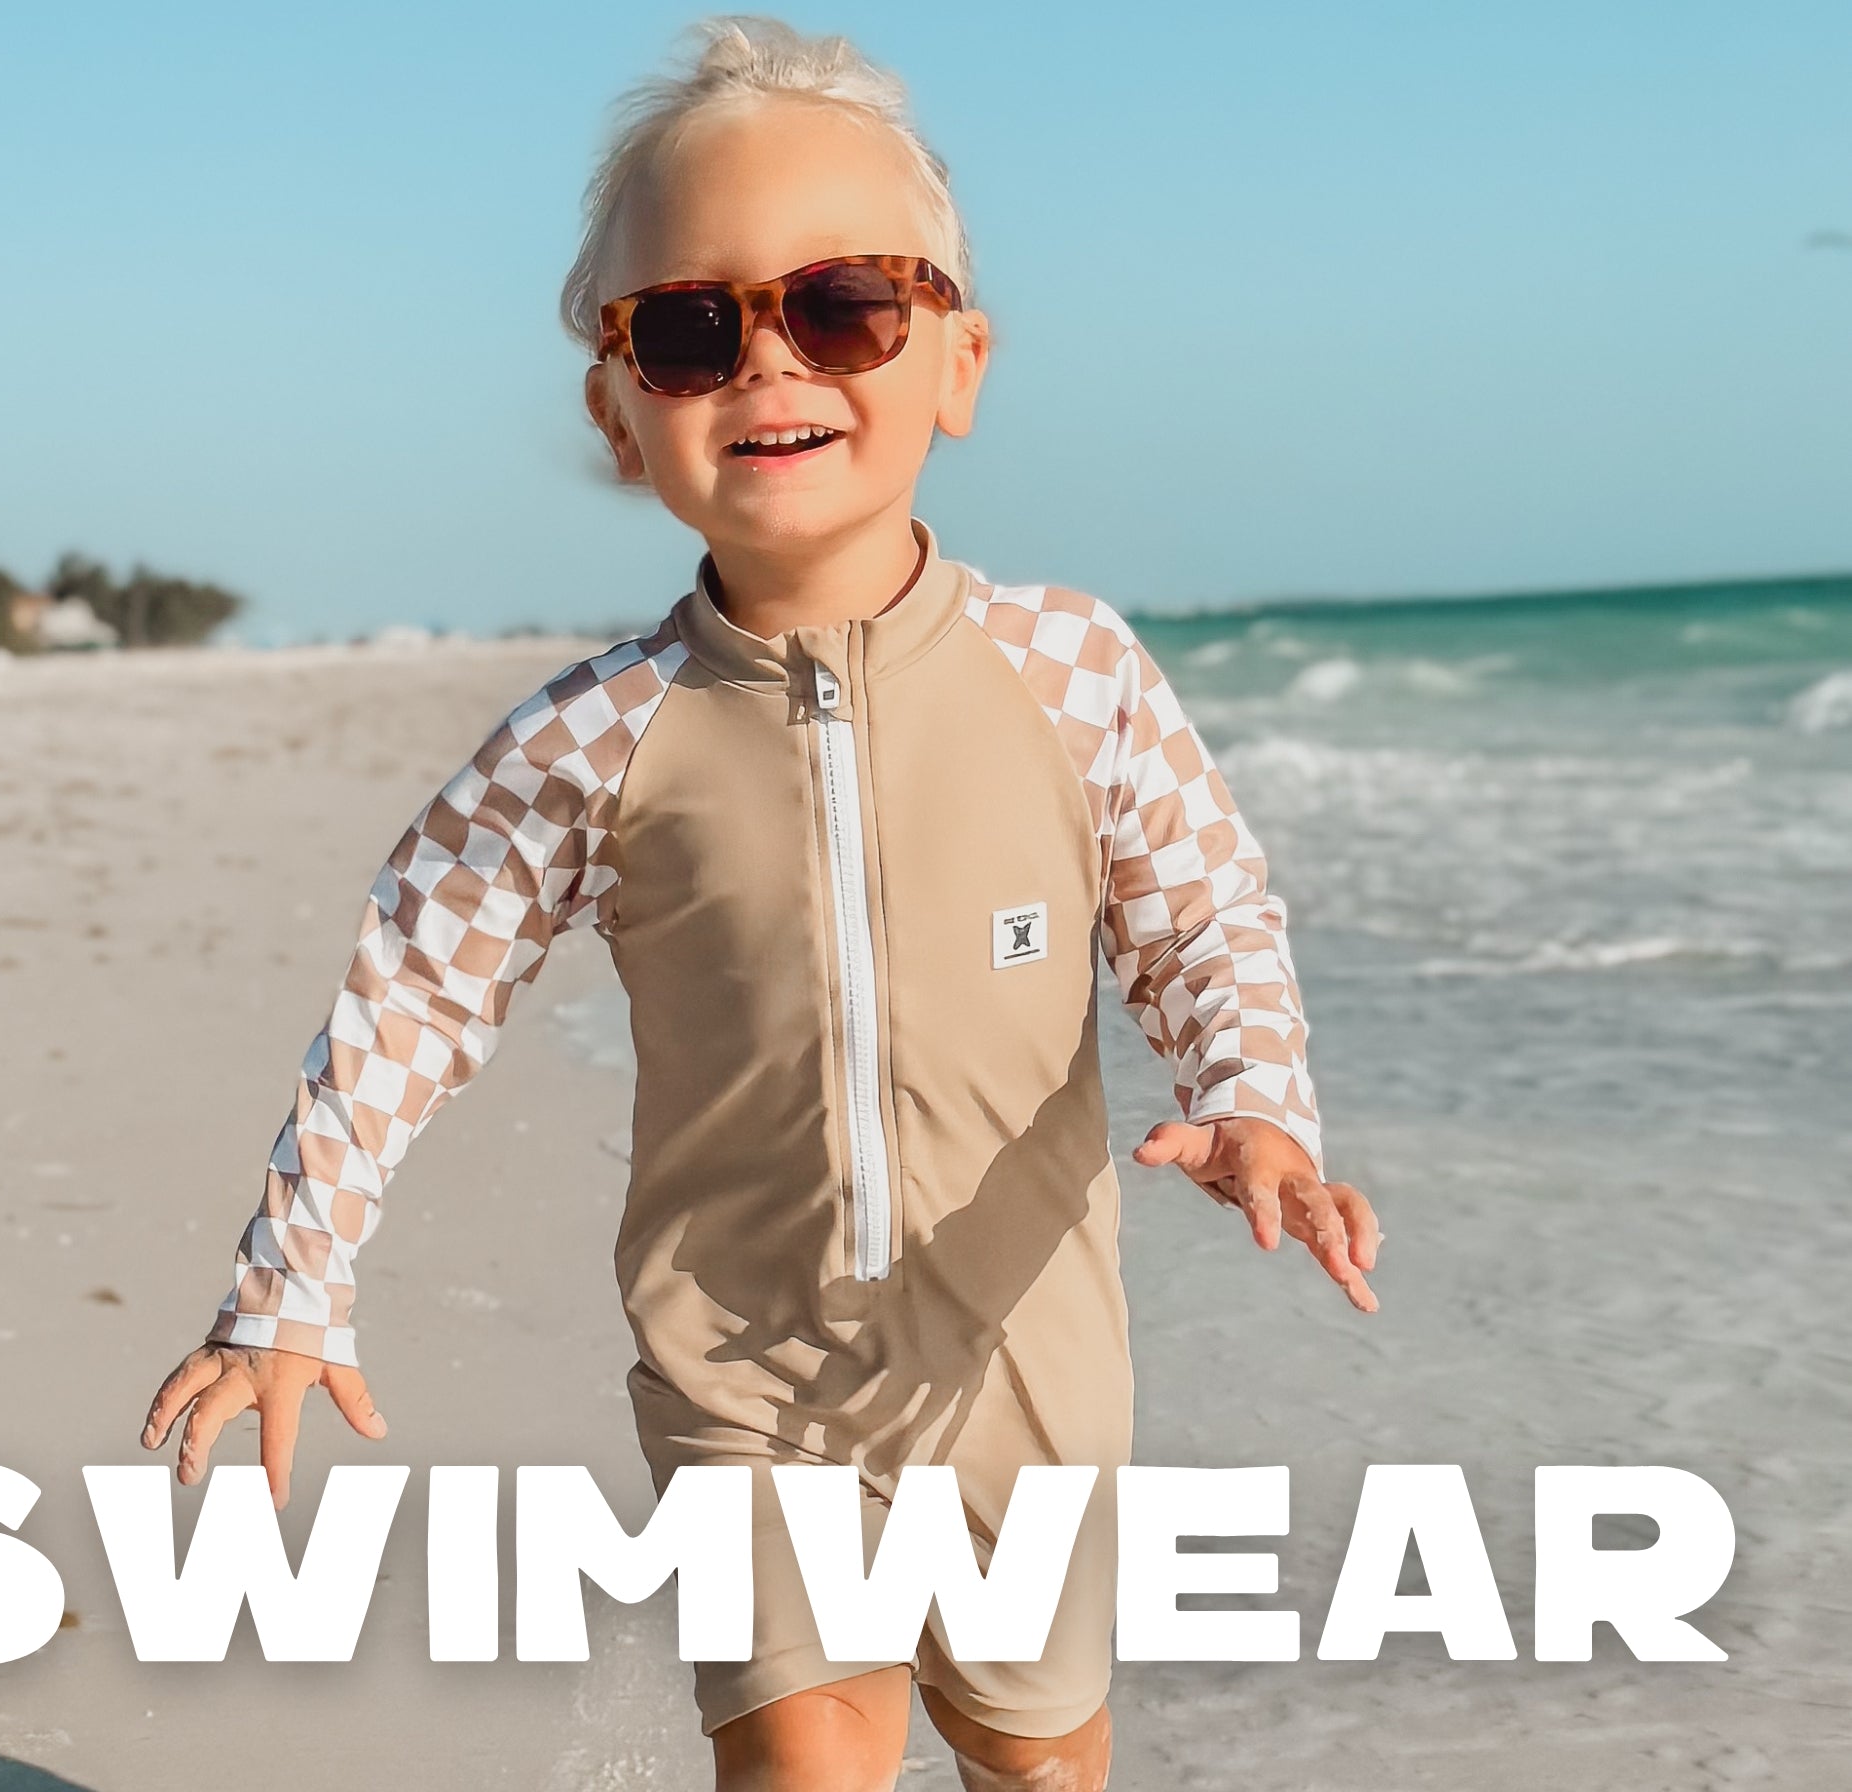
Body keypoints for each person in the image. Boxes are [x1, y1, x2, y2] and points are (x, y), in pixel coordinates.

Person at [138, 16, 1382, 1790]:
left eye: (847, 306)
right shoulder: (593, 737)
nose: (771, 361)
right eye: (692, 329)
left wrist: (1256, 1104)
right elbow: (412, 992)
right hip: (740, 1370)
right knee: (803, 1759)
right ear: (618, 409)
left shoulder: (1072, 669)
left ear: (959, 361)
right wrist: (291, 1287)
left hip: (1023, 1361)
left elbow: (1201, 920)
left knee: (1034, 1752)